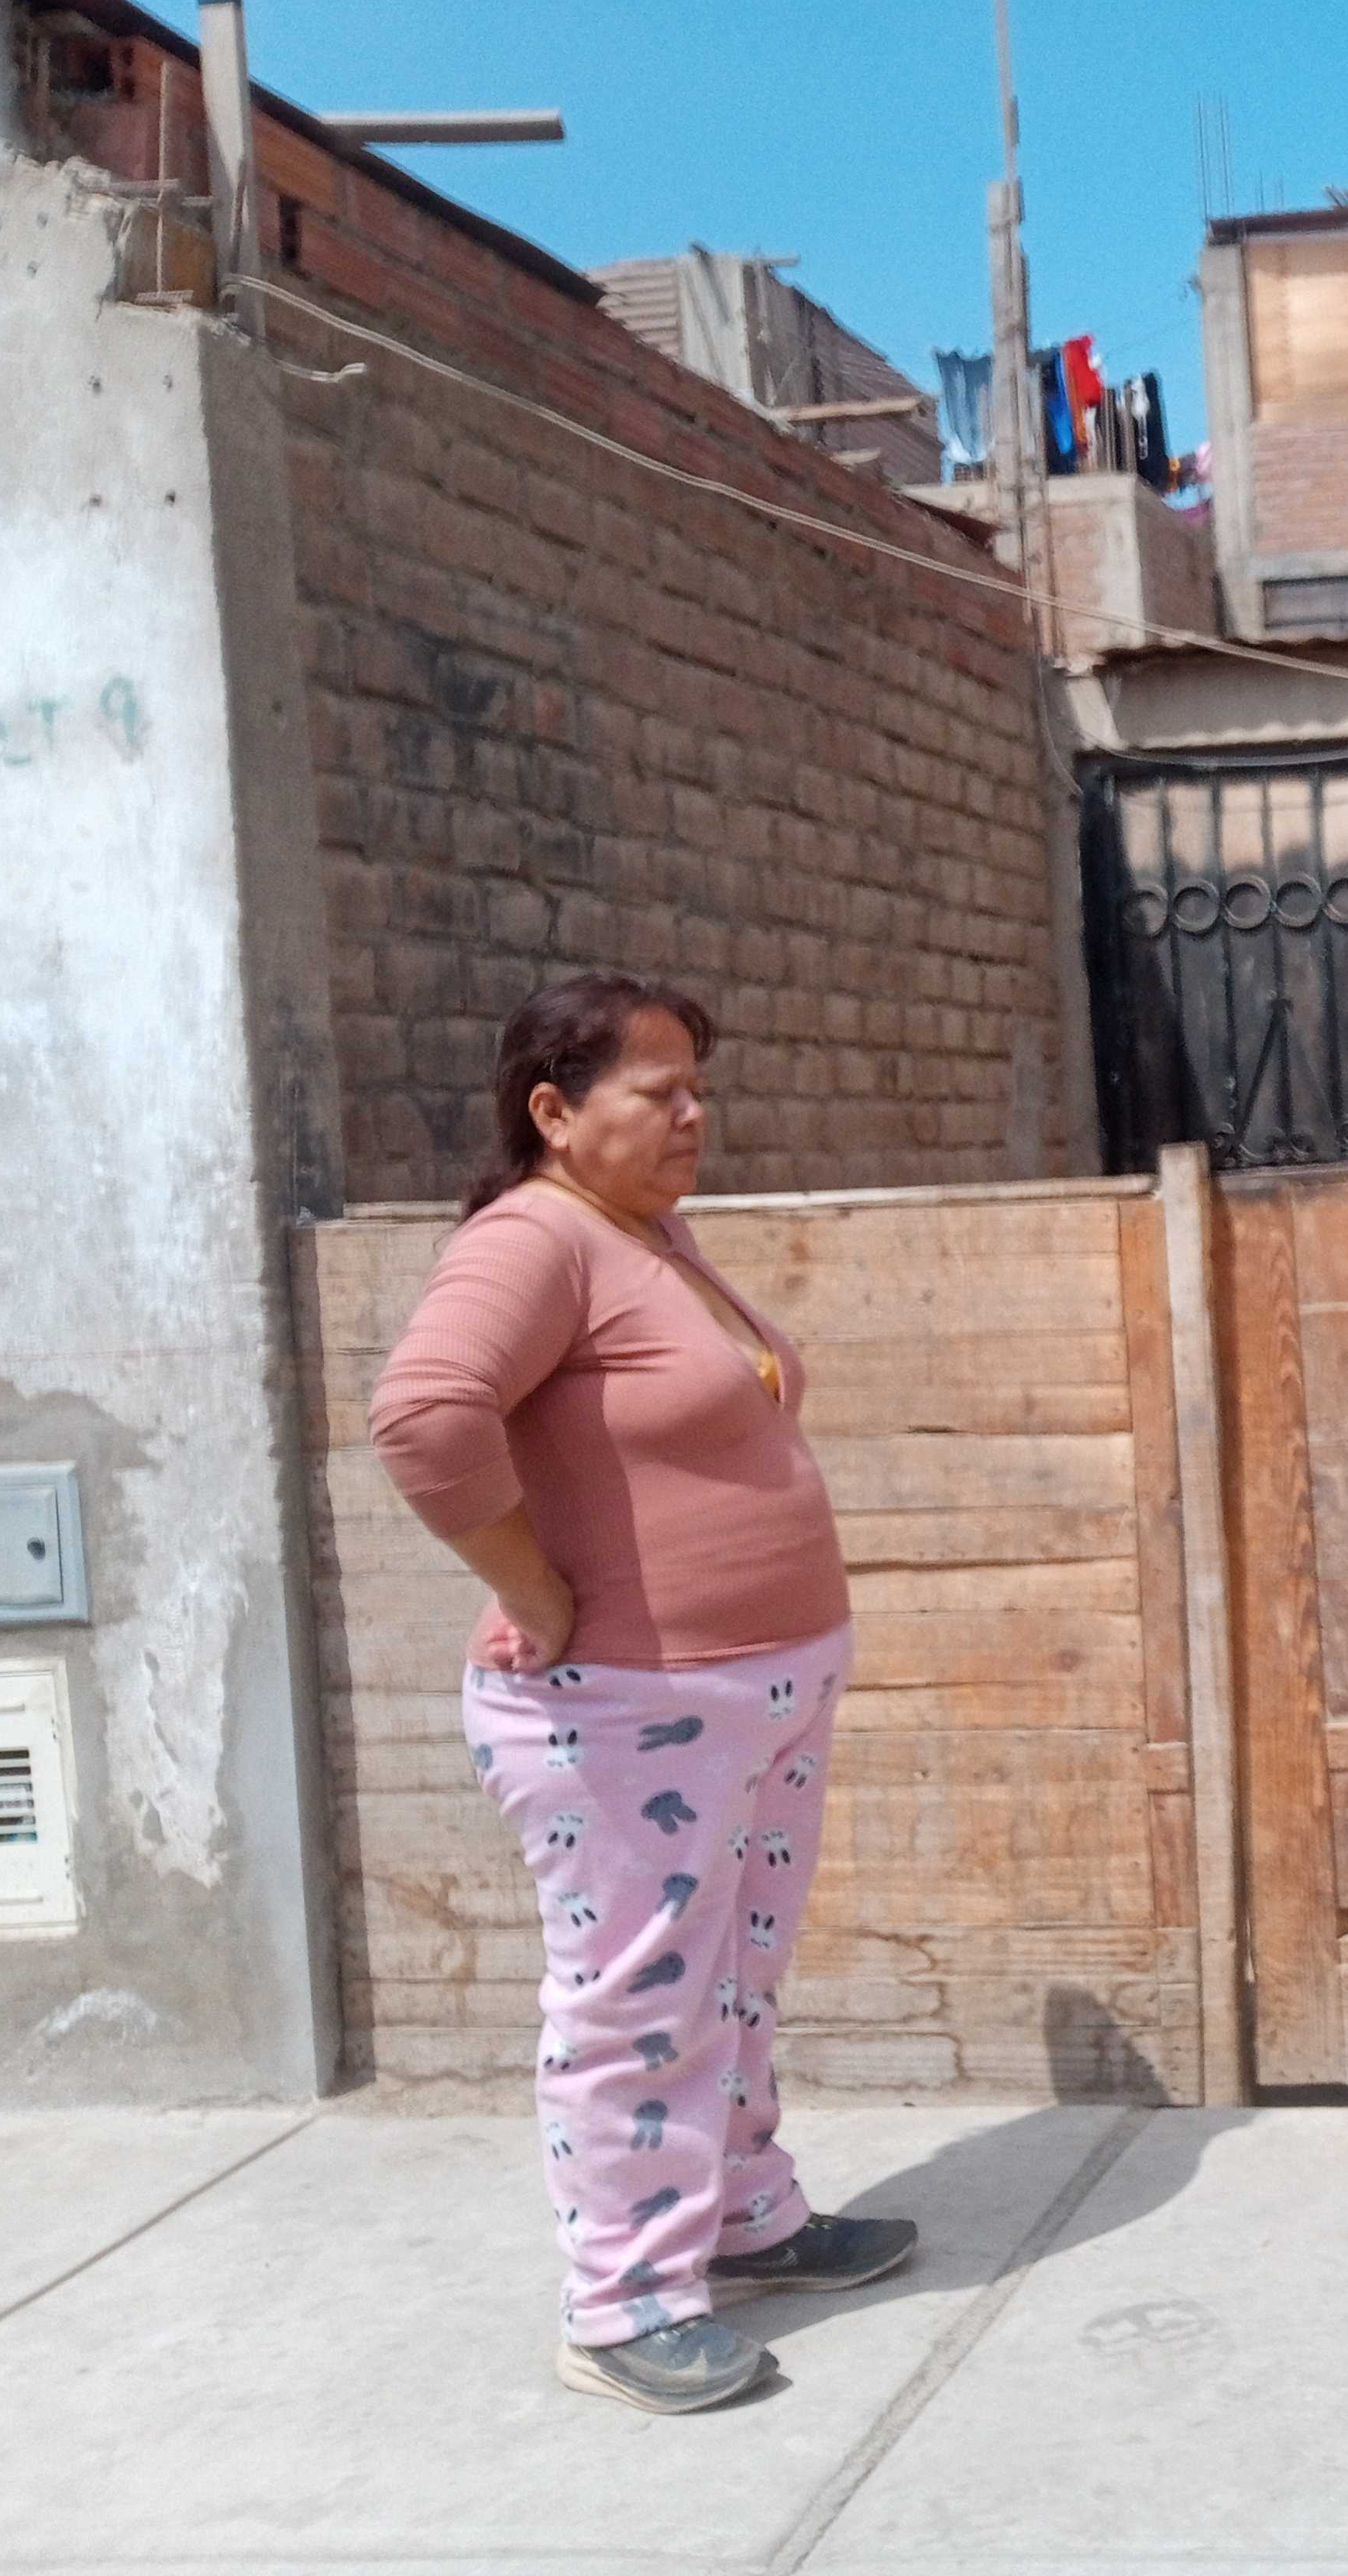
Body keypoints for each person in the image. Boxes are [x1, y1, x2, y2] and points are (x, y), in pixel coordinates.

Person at [369, 973, 914, 2413]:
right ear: (554, 1113)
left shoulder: (646, 1234)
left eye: (697, 1090)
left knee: (731, 1978)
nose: (693, 1116)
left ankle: (743, 2214)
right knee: (636, 2006)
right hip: (630, 1710)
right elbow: (424, 1415)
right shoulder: (532, 1241)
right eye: (659, 1092)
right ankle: (621, 2305)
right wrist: (535, 1589)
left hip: (754, 1694)